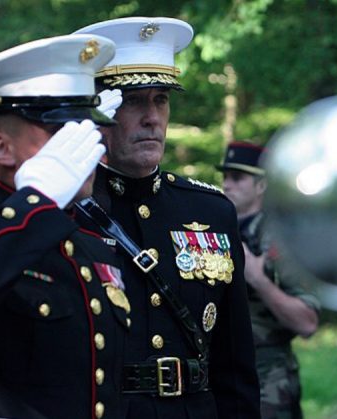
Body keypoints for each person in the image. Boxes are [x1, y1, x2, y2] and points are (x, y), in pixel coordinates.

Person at [0, 34, 131, 418]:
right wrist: (36, 202)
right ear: (0, 147)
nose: (88, 142)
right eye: (63, 130)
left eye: (88, 126)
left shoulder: (89, 245)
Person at [73, 17, 260, 418]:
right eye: (133, 100)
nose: (152, 117)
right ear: (98, 111)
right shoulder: (67, 210)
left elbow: (235, 364)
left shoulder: (210, 212)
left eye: (161, 100)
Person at [217, 141, 320, 419]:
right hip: (221, 376)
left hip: (268, 383)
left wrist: (258, 279)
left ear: (262, 185)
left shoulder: (285, 238)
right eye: (225, 177)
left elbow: (307, 321)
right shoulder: (213, 231)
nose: (227, 185)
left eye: (237, 178)